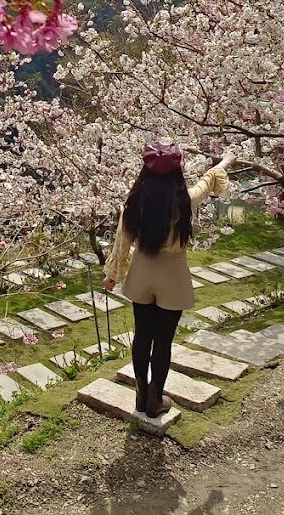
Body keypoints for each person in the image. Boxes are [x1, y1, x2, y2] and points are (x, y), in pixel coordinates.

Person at [103, 139, 235, 419]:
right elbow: (207, 182)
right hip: (173, 275)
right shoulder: (184, 199)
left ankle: (141, 396)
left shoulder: (135, 202)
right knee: (163, 341)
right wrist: (225, 162)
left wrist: (112, 275)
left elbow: (121, 241)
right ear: (177, 171)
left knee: (142, 335)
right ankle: (155, 399)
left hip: (142, 273)